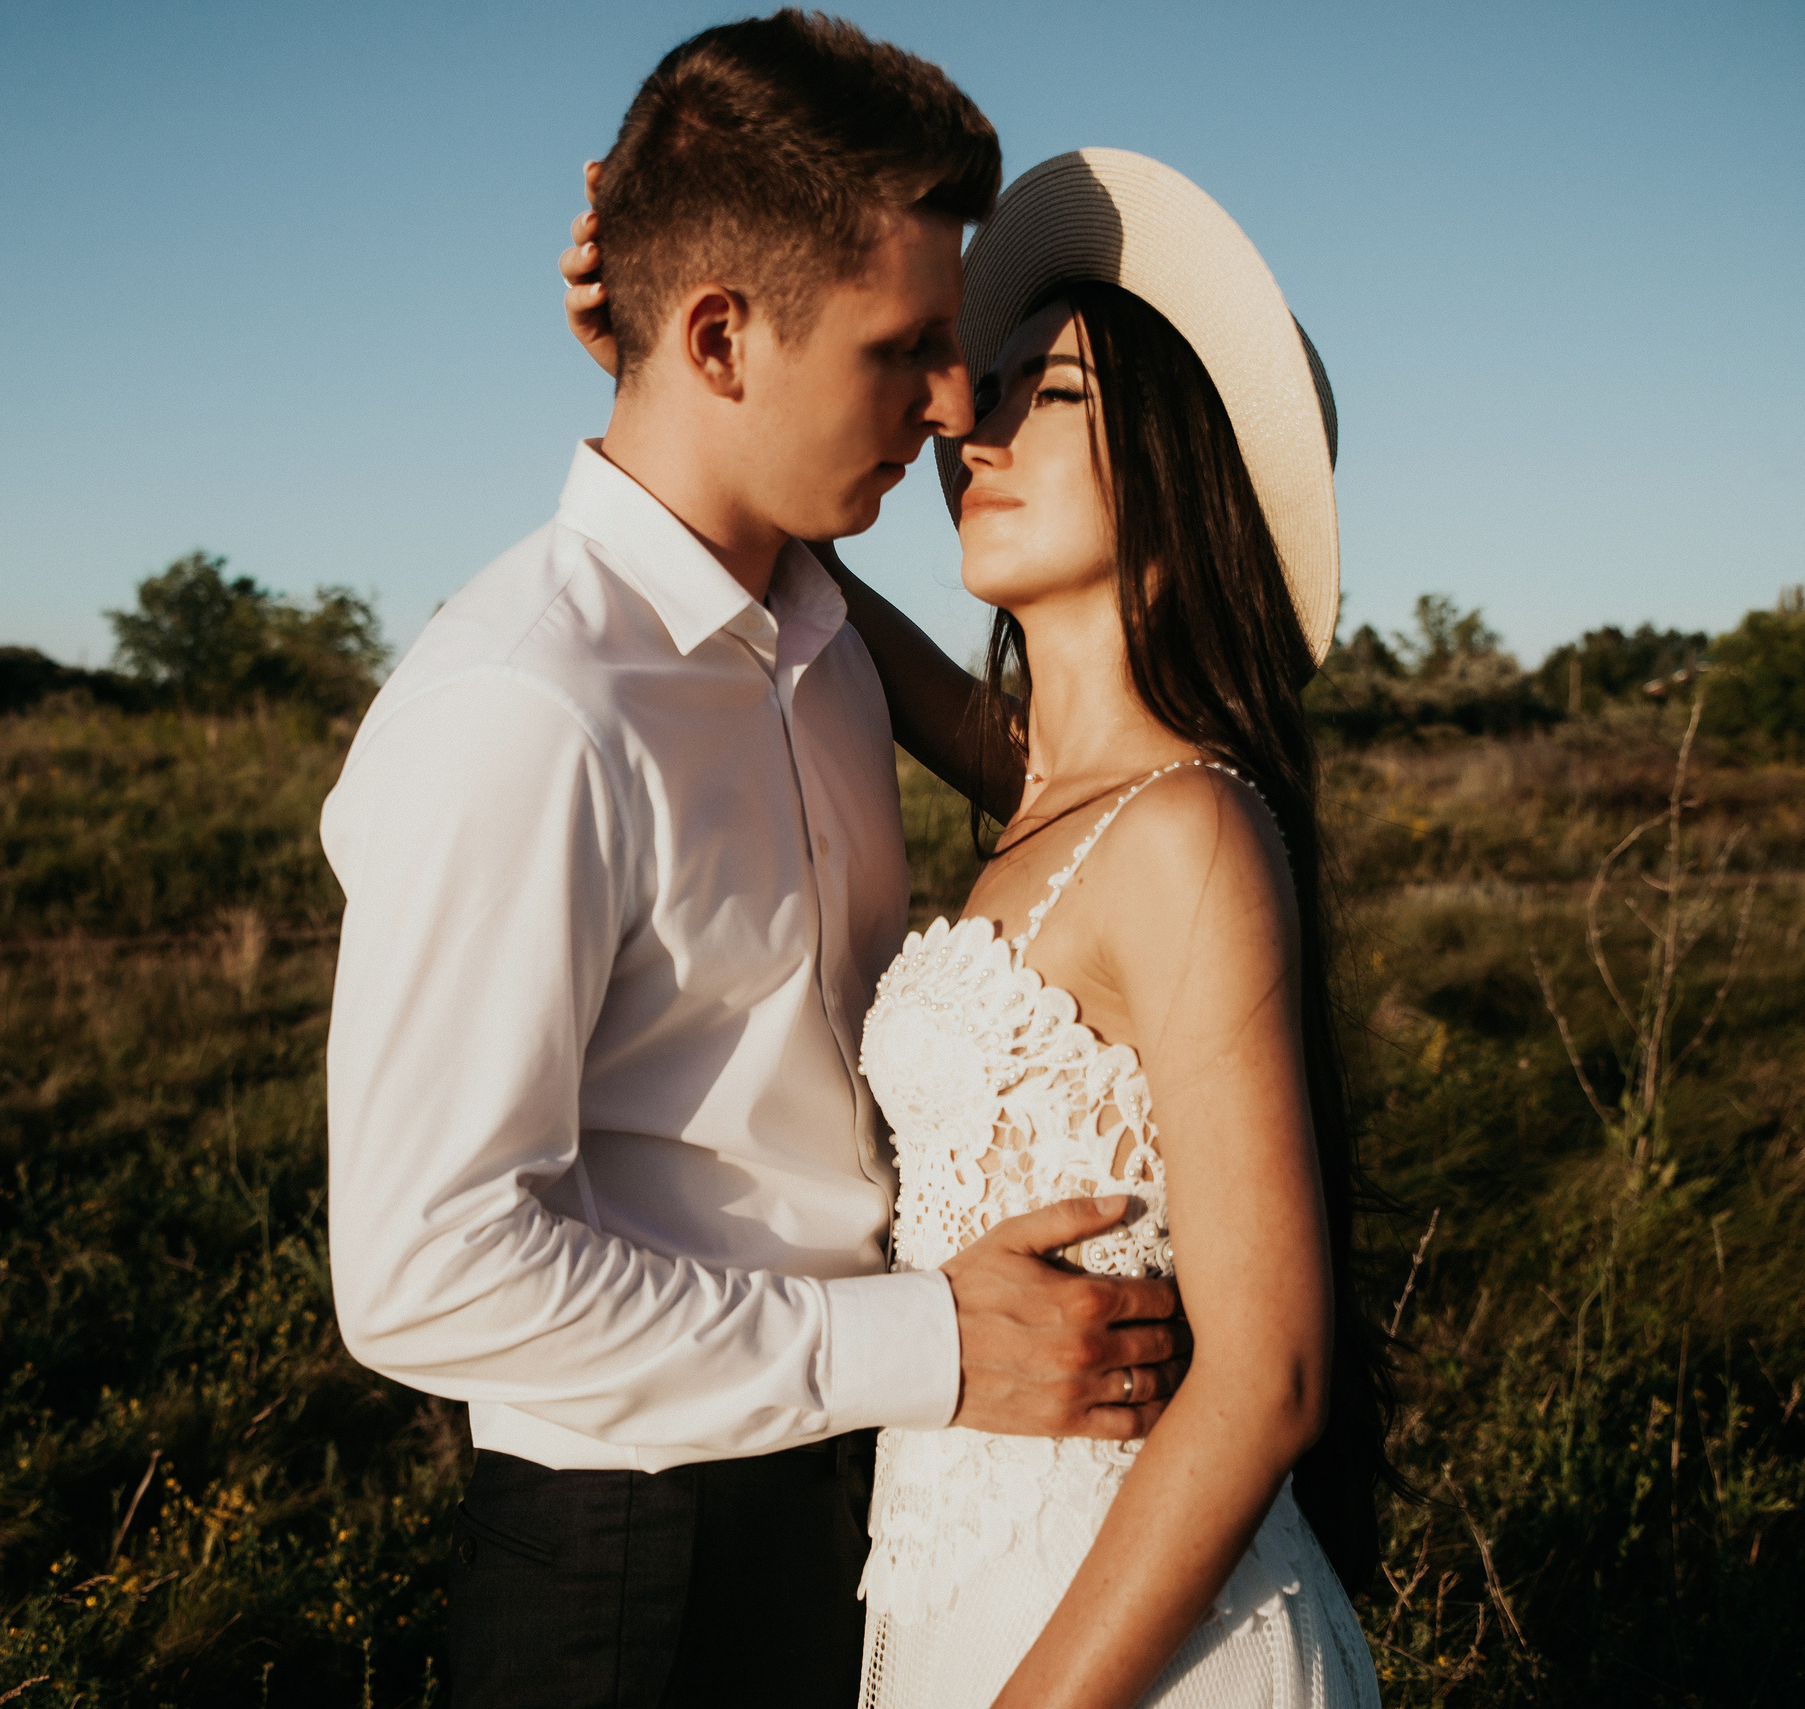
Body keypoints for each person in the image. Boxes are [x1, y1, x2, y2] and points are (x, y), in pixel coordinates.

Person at [323, 21, 1190, 1709]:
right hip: (639, 1574)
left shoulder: (819, 639)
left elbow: (1088, 798)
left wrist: (669, 372)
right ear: (724, 334)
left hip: (873, 1499)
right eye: (904, 348)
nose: (955, 404)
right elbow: (426, 1268)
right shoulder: (529, 705)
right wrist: (928, 1344)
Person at [564, 149, 1394, 1707]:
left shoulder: (1187, 831)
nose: (969, 430)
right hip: (969, 1589)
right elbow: (796, 561)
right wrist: (671, 349)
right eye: (976, 389)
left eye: (1047, 397)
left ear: (1181, 461)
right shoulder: (1049, 796)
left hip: (1127, 1640)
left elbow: (1272, 1378)